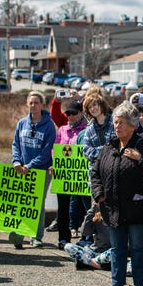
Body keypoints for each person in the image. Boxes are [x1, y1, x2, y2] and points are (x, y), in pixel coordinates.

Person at [91, 102, 143, 286]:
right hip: (113, 208)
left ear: (133, 125)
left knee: (137, 249)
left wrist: (140, 158)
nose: (117, 126)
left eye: (121, 123)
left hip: (136, 208)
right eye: (115, 122)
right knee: (117, 249)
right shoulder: (109, 147)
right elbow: (95, 172)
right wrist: (99, 194)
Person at [9, 91, 56, 249]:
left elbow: (47, 151)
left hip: (40, 170)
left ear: (42, 105)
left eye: (36, 102)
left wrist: (30, 165)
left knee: (37, 203)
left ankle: (36, 236)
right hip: (21, 168)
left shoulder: (49, 126)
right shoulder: (22, 123)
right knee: (22, 201)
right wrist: (16, 161)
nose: (33, 105)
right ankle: (19, 233)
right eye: (31, 102)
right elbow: (15, 144)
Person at [48, 100, 88, 249]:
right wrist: (55, 162)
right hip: (63, 174)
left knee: (84, 207)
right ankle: (63, 238)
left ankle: (86, 237)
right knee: (63, 208)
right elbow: (55, 148)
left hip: (80, 175)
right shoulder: (62, 130)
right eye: (68, 113)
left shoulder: (86, 130)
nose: (70, 116)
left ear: (81, 113)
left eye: (74, 113)